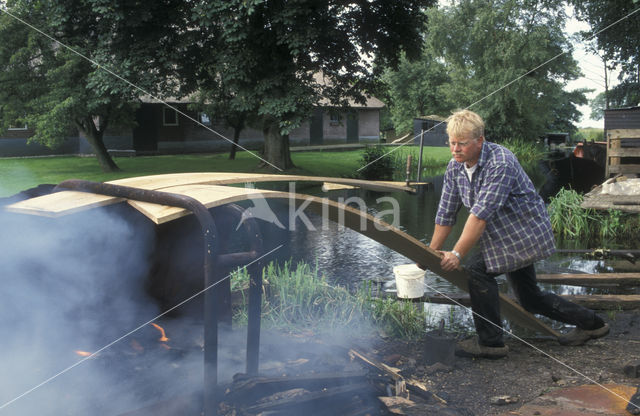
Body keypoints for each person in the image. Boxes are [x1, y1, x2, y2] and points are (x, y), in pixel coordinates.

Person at [428, 109, 609, 359]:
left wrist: (457, 253)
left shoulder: (500, 161)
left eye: (462, 144)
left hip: (524, 232)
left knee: (477, 270)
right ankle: (593, 324)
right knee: (530, 299)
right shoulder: (455, 168)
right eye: (452, 143)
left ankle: (491, 344)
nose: (455, 149)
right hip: (499, 236)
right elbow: (446, 213)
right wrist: (428, 253)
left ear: (480, 140)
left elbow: (479, 216)